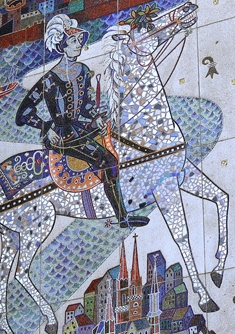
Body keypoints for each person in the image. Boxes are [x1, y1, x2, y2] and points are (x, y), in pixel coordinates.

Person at [15, 14, 148, 227]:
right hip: (61, 135)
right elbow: (23, 113)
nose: (79, 44)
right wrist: (46, 127)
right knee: (108, 161)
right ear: (62, 45)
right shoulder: (49, 80)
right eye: (73, 41)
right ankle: (123, 219)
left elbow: (86, 105)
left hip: (82, 128)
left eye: (79, 40)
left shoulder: (83, 71)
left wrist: (96, 117)